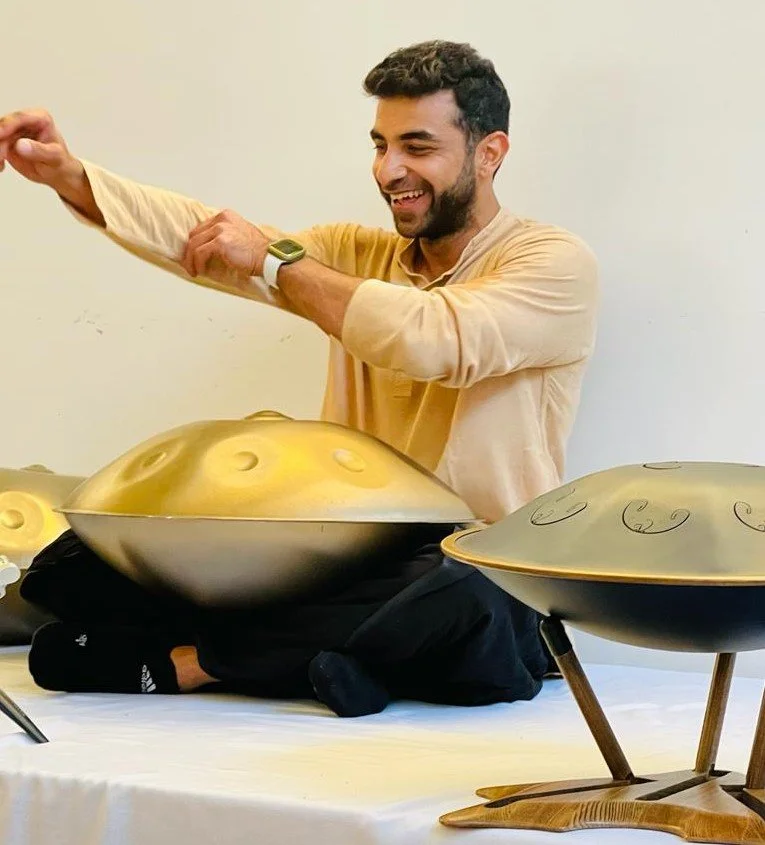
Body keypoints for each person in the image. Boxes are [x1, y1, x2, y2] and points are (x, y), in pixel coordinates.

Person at [0, 40, 598, 716]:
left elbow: (431, 337)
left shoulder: (552, 264)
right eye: (380, 144)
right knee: (70, 564)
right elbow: (209, 241)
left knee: (472, 592)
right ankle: (334, 661)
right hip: (343, 554)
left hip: (468, 561)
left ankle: (197, 662)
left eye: (417, 147)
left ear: (489, 153)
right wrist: (70, 176)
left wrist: (278, 263)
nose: (389, 169)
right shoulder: (354, 254)